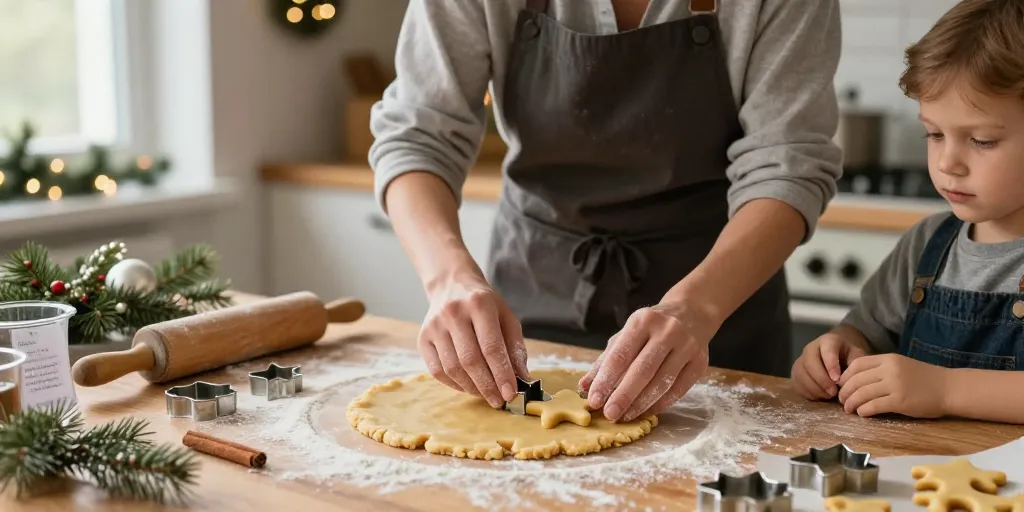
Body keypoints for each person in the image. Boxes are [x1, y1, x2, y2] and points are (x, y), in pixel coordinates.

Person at [370, 0, 843, 423]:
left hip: (719, 303)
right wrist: (449, 278)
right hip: (535, 291)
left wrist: (696, 309)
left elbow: (786, 166)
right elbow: (417, 137)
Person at [791, 0, 1024, 424]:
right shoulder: (927, 245)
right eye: (933, 133)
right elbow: (866, 332)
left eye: (983, 140)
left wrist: (945, 389)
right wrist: (837, 350)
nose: (946, 162)